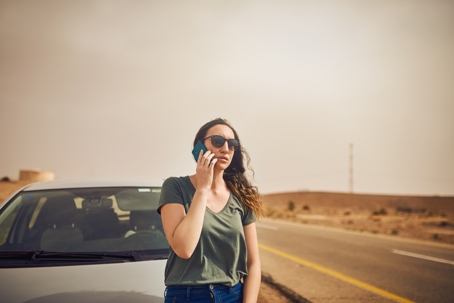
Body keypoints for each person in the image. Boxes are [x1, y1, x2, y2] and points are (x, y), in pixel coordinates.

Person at [158, 118, 264, 303]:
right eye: (217, 141)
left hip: (233, 295)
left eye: (232, 144)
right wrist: (202, 189)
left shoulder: (241, 196)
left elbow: (253, 263)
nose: (225, 149)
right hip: (188, 296)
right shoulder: (175, 186)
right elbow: (184, 248)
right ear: (199, 147)